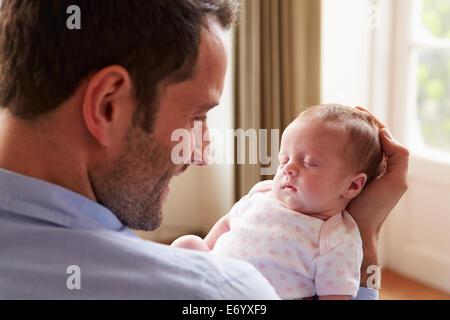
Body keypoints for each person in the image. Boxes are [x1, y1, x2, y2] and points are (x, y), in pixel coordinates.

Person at [0, 1, 409, 299]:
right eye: (197, 117)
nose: (200, 153)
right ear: (108, 104)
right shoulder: (218, 293)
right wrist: (367, 230)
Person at [172, 104, 387, 300]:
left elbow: (336, 295)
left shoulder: (337, 239)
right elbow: (228, 223)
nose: (288, 169)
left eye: (309, 162)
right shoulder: (262, 192)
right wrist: (208, 253)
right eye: (283, 159)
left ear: (352, 186)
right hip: (212, 278)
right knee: (188, 243)